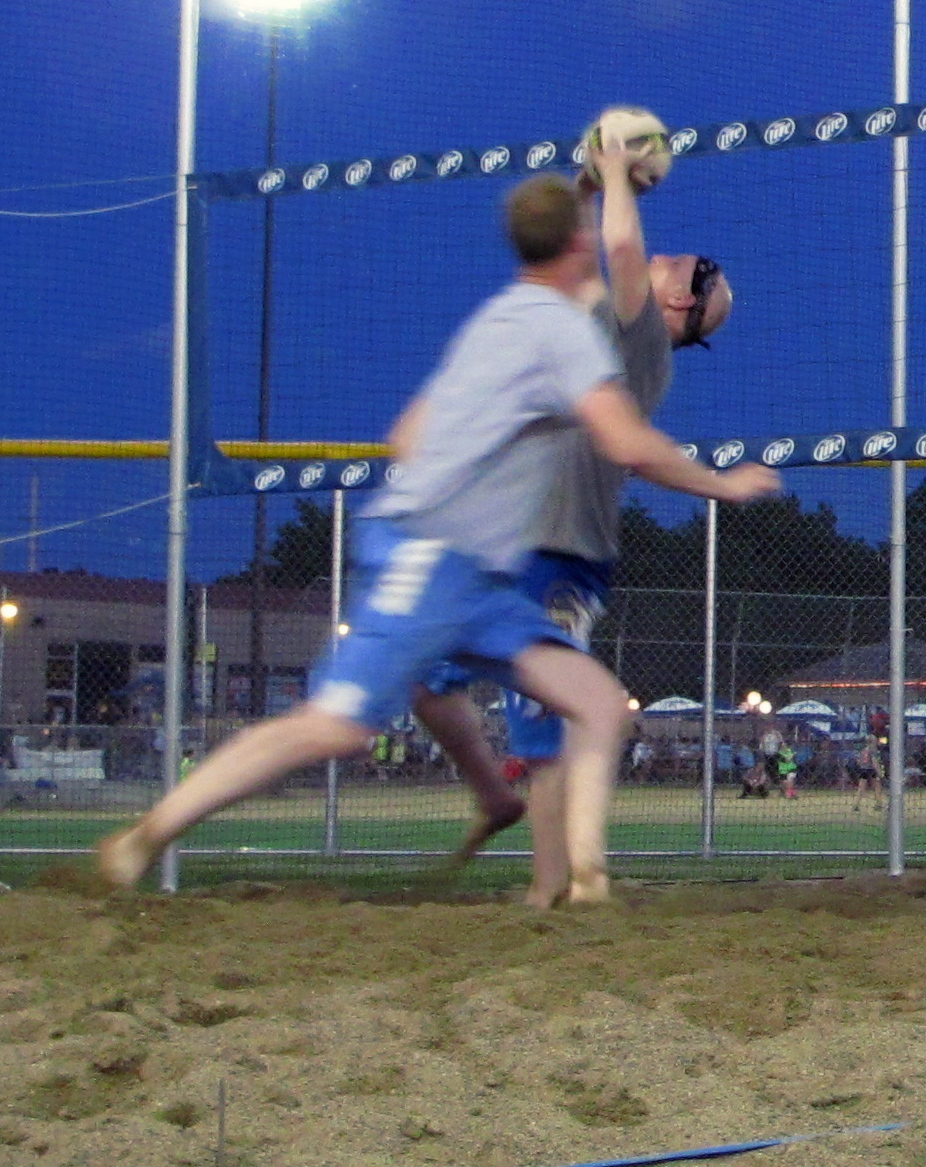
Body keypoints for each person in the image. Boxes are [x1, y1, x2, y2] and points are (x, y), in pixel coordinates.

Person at [96, 174, 779, 900]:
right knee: (334, 728)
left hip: (484, 571)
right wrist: (726, 484)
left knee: (597, 703)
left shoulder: (514, 320)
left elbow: (408, 434)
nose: (656, 256)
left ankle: (583, 880)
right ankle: (145, 837)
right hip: (436, 554)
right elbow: (628, 443)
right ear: (579, 246)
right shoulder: (558, 329)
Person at [414, 107, 735, 906]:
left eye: (690, 267)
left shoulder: (641, 335)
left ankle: (548, 894)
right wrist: (595, 177)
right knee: (422, 676)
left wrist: (618, 171)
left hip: (558, 549)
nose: (674, 256)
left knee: (546, 729)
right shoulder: (607, 314)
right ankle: (495, 798)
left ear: (681, 309)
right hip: (501, 539)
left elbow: (621, 248)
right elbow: (587, 245)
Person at [848, 740, 883, 812]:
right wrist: (879, 772)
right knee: (877, 787)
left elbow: (858, 761)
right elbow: (874, 762)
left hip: (863, 769)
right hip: (871, 770)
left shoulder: (863, 750)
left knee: (861, 788)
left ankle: (856, 805)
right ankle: (878, 804)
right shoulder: (872, 751)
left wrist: (862, 766)